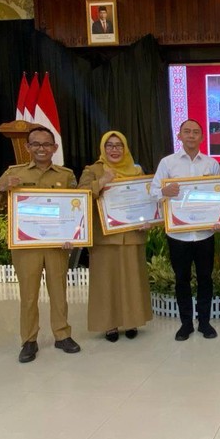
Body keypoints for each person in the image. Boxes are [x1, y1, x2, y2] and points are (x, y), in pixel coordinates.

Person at [0, 126, 81, 363]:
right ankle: (29, 340)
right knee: (29, 295)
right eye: (36, 144)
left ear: (54, 148)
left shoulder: (65, 175)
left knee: (59, 291)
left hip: (57, 245)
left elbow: (77, 208)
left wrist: (74, 235)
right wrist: (1, 188)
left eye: (46, 144)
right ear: (28, 147)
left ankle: (62, 335)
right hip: (26, 246)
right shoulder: (13, 173)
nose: (41, 149)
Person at [150, 119, 220, 341]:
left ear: (202, 137)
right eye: (187, 132)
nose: (191, 135)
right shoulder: (168, 163)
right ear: (179, 136)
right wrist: (165, 190)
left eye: (196, 132)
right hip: (178, 234)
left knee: (205, 278)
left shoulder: (211, 164)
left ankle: (205, 322)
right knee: (181, 280)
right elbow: (153, 191)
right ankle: (185, 324)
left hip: (204, 233)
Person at [78, 131, 153, 342]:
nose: (114, 150)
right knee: (106, 282)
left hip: (132, 235)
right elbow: (81, 196)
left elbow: (147, 200)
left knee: (132, 280)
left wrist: (148, 219)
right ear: (103, 148)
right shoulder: (93, 170)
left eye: (119, 145)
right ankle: (109, 324)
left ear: (125, 148)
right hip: (105, 238)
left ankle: (132, 321)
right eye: (110, 145)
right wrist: (101, 181)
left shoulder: (137, 171)